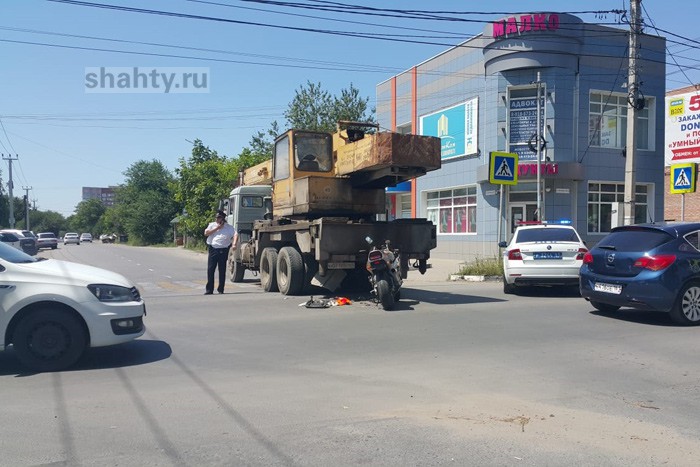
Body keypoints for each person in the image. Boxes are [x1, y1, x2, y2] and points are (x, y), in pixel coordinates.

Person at [204, 210, 237, 294]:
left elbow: (235, 234)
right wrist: (217, 228)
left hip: (223, 250)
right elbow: (206, 233)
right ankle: (209, 290)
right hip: (213, 249)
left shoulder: (228, 227)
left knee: (222, 270)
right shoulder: (212, 225)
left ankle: (221, 289)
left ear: (223, 219)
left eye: (219, 218)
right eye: (216, 218)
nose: (217, 219)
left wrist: (234, 244)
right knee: (211, 269)